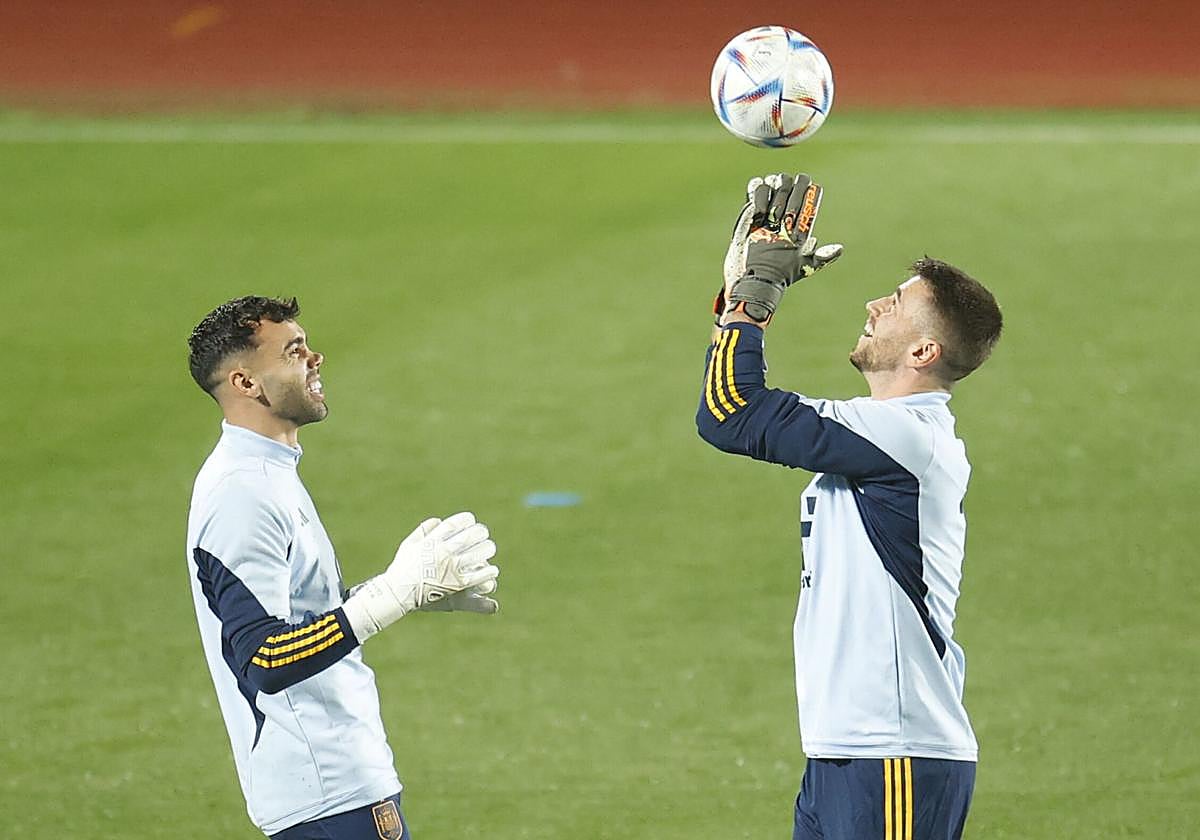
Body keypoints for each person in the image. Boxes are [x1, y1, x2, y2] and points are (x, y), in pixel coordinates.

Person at [696, 174, 1002, 840]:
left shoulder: (905, 438)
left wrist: (753, 301)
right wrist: (739, 305)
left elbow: (732, 413)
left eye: (894, 303)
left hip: (894, 752)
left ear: (925, 352)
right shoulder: (887, 433)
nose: (872, 305)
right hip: (849, 749)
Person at [185, 296, 501, 839]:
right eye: (293, 351)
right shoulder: (243, 492)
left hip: (335, 787)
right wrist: (392, 597)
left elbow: (298, 614)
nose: (315, 358)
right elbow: (263, 657)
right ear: (244, 383)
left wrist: (402, 590)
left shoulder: (269, 472)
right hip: (325, 795)